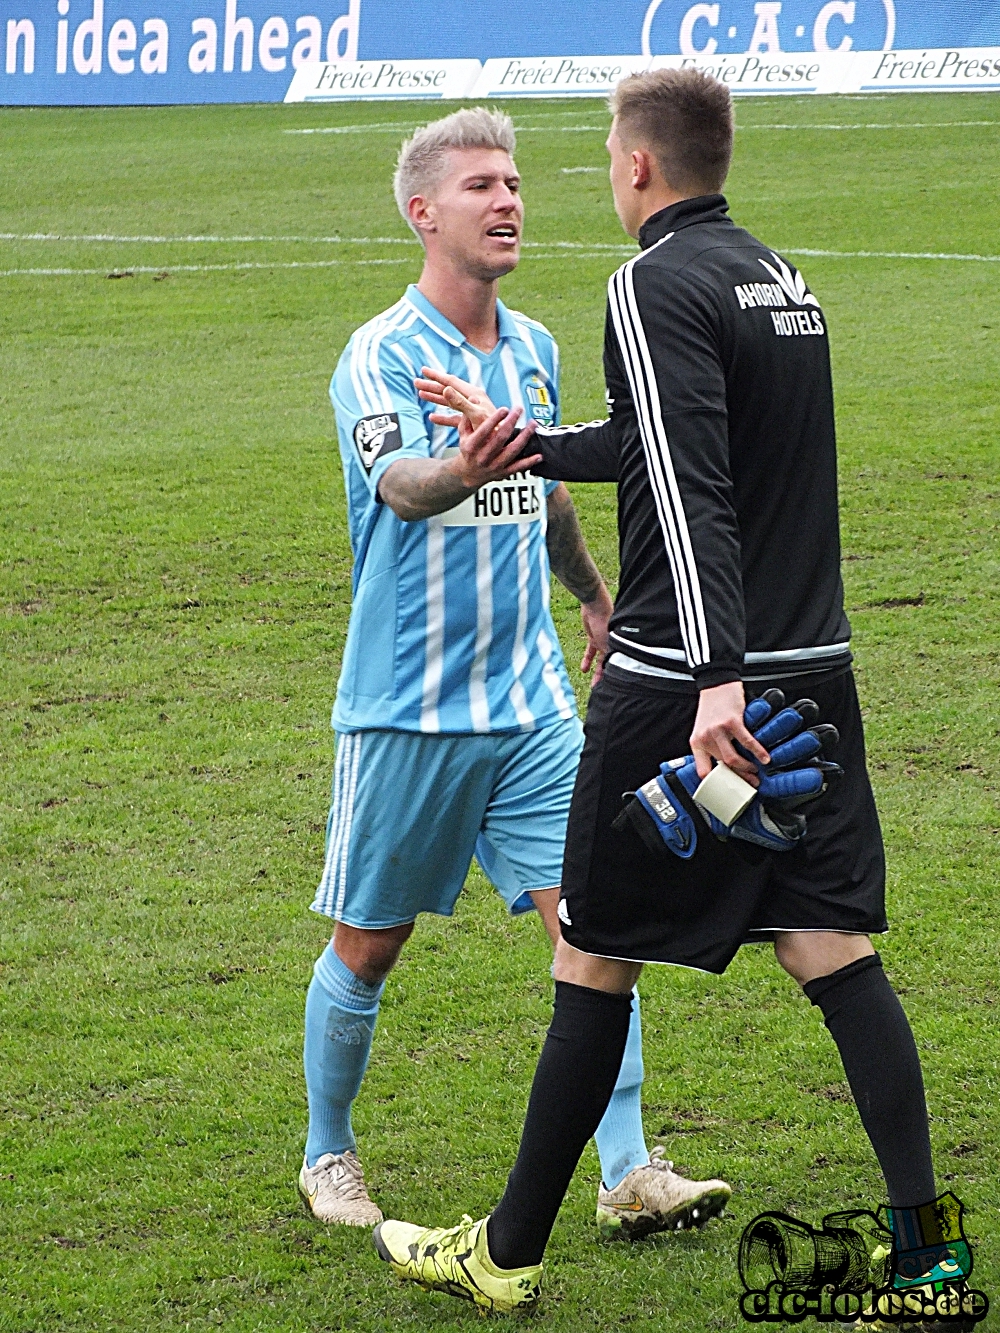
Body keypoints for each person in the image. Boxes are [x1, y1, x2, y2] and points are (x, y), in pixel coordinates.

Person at [373, 70, 954, 1324]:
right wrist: (522, 442)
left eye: (594, 152)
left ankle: (505, 1253)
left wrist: (708, 683)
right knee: (830, 948)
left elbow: (691, 499)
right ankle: (930, 1256)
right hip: (816, 673)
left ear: (636, 167)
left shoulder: (646, 283)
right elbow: (671, 439)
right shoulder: (778, 279)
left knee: (591, 952)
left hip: (685, 684)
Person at [299, 105, 731, 1241]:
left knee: (597, 929)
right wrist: (464, 459)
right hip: (407, 708)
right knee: (367, 942)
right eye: (482, 185)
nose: (508, 201)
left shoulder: (533, 347)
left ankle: (629, 1165)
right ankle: (326, 1151)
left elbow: (546, 493)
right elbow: (400, 487)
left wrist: (588, 592)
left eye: (517, 182)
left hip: (533, 704)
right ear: (422, 212)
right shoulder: (379, 352)